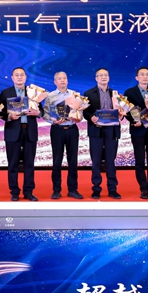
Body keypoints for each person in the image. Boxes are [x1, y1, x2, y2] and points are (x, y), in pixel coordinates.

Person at [0, 67, 42, 201]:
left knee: (29, 163)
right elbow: (0, 112)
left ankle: (28, 191)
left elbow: (41, 110)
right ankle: (14, 191)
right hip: (13, 130)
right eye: (16, 75)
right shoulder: (6, 93)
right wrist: (9, 116)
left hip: (29, 130)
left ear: (25, 77)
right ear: (12, 78)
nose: (19, 77)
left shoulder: (33, 92)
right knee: (13, 163)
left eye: (21, 75)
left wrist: (37, 113)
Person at [124, 66, 148, 199]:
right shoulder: (130, 92)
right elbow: (126, 111)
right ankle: (143, 189)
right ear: (137, 77)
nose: (145, 77)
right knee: (139, 161)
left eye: (147, 74)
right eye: (142, 74)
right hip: (138, 130)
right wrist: (134, 121)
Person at [83, 68, 122, 199]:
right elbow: (84, 111)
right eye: (101, 75)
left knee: (111, 160)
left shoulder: (115, 94)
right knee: (96, 161)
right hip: (96, 130)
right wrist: (91, 117)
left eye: (106, 75)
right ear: (96, 78)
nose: (103, 77)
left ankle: (112, 189)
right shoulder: (89, 93)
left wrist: (121, 114)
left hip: (111, 130)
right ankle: (96, 188)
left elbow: (121, 110)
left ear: (109, 77)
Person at [44, 71, 83, 200]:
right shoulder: (50, 96)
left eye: (64, 78)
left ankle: (73, 189)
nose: (62, 80)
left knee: (73, 161)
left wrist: (77, 117)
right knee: (57, 161)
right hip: (57, 130)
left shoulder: (74, 95)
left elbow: (80, 113)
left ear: (67, 80)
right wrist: (53, 121)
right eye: (59, 79)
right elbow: (45, 113)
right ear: (55, 82)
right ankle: (56, 190)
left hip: (72, 130)